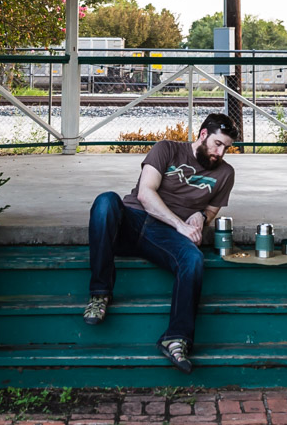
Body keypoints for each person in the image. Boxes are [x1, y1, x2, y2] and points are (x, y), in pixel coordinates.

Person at [84, 111, 238, 373]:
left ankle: (176, 338)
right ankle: (100, 295)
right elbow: (145, 194)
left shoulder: (225, 173)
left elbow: (210, 211)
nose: (221, 153)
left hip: (164, 238)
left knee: (192, 259)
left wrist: (201, 217)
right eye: (218, 144)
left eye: (226, 147)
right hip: (133, 221)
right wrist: (179, 224)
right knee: (105, 201)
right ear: (203, 135)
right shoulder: (167, 149)